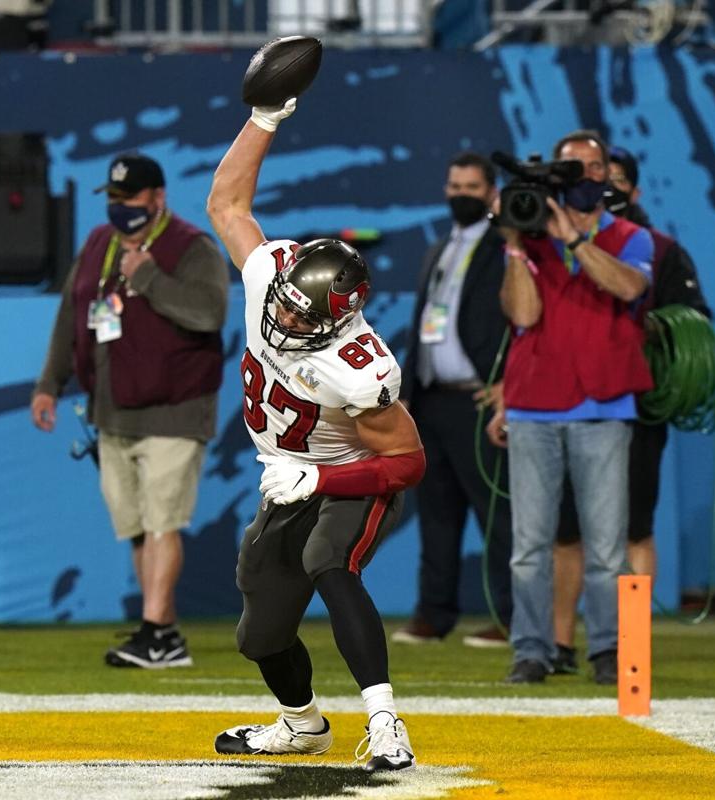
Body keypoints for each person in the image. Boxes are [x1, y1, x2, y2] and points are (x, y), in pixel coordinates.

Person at [206, 96, 424, 771]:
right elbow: (228, 206)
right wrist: (265, 117)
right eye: (287, 309)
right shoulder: (271, 276)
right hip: (286, 478)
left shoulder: (360, 368)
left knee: (328, 561)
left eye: (306, 321)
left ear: (341, 321)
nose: (288, 323)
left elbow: (408, 463)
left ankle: (387, 726)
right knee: (259, 633)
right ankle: (303, 725)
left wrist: (323, 477)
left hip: (350, 476)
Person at [32, 152, 229, 669]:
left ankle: (157, 632)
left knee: (163, 521)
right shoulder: (99, 244)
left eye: (130, 199)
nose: (120, 209)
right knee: (138, 526)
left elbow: (209, 314)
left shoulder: (192, 247)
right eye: (113, 199)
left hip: (175, 407)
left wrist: (149, 280)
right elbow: (70, 313)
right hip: (113, 410)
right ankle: (160, 629)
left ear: (158, 198)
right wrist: (49, 383)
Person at [487, 129, 654, 685]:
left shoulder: (633, 236)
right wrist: (515, 243)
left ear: (606, 175)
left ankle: (615, 652)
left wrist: (576, 241)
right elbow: (524, 316)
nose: (582, 174)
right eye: (570, 167)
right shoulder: (529, 243)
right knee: (528, 547)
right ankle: (531, 651)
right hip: (535, 406)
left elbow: (629, 288)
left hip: (605, 406)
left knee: (610, 547)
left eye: (591, 165)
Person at [550, 146, 712, 673]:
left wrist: (636, 335)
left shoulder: (660, 250)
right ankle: (559, 645)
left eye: (616, 180)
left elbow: (694, 323)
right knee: (567, 530)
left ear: (634, 192)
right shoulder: (551, 244)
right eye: (594, 177)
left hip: (637, 407)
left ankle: (632, 647)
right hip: (568, 404)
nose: (605, 187)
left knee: (634, 528)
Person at [393, 151, 513, 649]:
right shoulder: (440, 247)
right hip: (430, 400)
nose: (460, 194)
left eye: (471, 187)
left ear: (492, 193)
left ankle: (511, 617)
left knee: (498, 513)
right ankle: (433, 614)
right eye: (454, 185)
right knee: (437, 513)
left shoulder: (506, 246)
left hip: (479, 399)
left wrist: (510, 379)